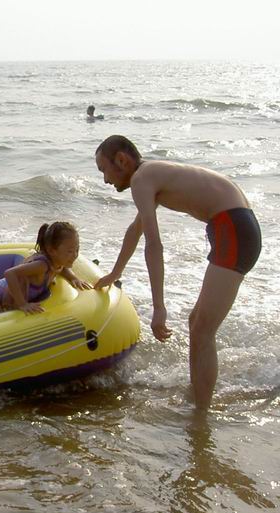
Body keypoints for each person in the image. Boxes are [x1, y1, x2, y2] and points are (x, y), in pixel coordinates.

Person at [93, 135, 261, 410]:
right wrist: (115, 273)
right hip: (236, 226)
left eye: (104, 170)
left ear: (121, 160)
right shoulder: (152, 174)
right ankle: (198, 399)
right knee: (198, 324)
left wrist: (159, 308)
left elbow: (154, 245)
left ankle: (201, 416)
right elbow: (135, 230)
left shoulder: (141, 178)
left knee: (202, 330)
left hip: (232, 229)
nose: (105, 180)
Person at [0, 222, 91, 321]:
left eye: (77, 249)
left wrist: (74, 278)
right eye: (70, 251)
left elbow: (63, 269)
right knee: (0, 328)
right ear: (51, 250)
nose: (75, 255)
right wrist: (22, 304)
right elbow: (10, 273)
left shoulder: (56, 263)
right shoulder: (41, 265)